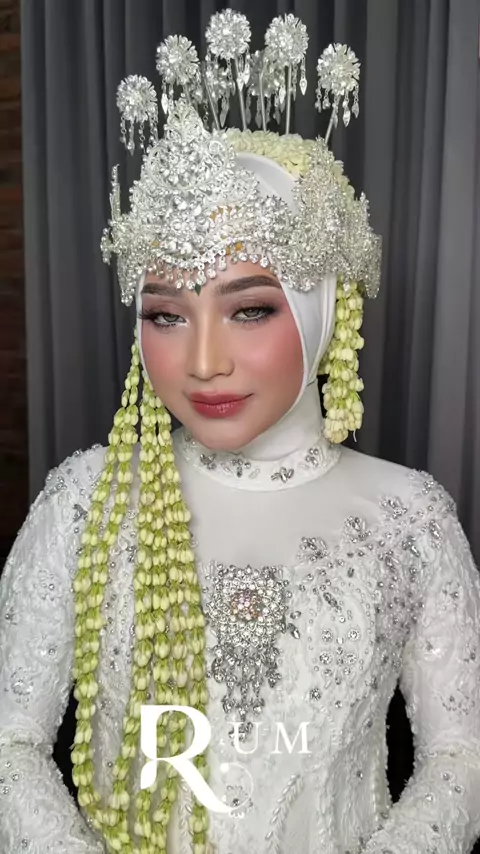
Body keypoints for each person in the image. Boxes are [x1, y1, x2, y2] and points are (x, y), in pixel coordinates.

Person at [1, 10, 479, 854]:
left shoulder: (411, 518)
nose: (204, 363)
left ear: (322, 311)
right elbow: (9, 744)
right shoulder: (87, 501)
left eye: (249, 310)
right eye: (166, 315)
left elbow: (459, 755)